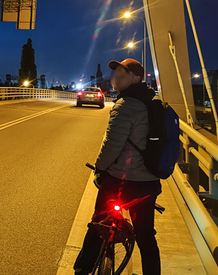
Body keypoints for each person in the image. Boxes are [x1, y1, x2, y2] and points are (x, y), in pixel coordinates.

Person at [74, 58, 162, 275]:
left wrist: (99, 169)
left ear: (136, 78)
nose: (116, 78)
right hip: (148, 182)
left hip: (119, 180)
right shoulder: (153, 102)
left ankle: (82, 269)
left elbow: (112, 145)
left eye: (123, 74)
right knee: (145, 235)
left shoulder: (126, 105)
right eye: (116, 73)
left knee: (99, 224)